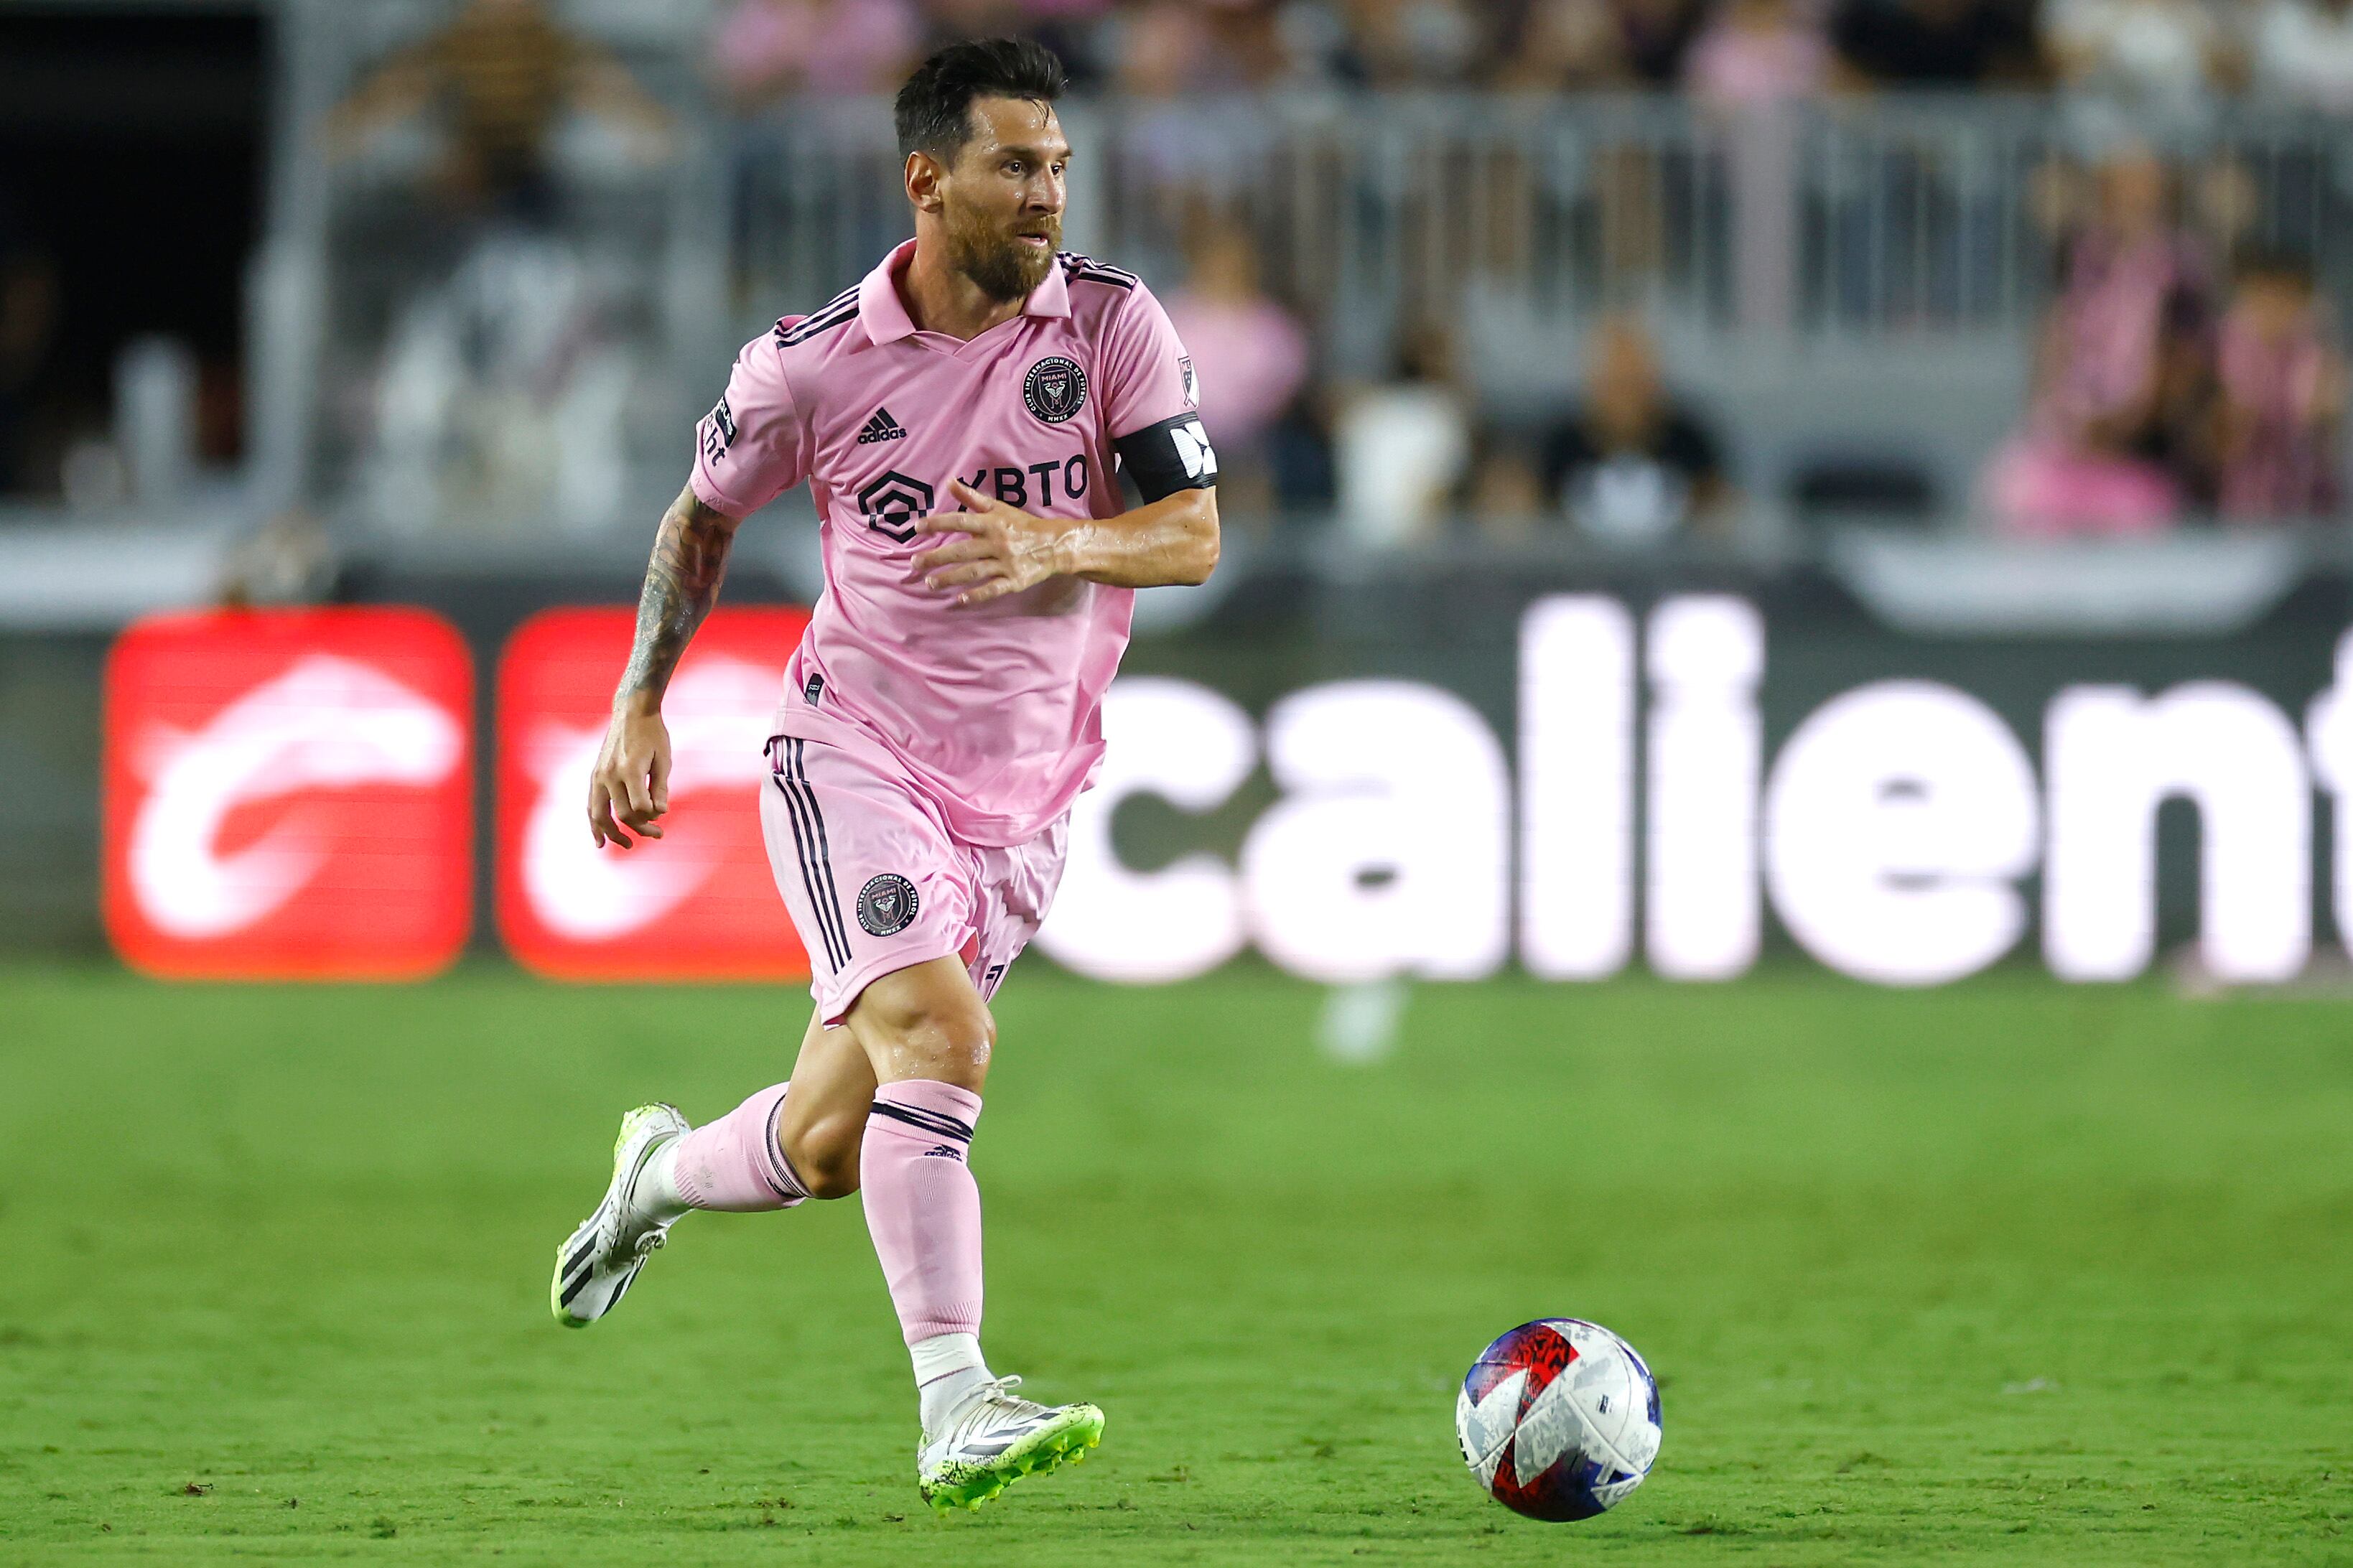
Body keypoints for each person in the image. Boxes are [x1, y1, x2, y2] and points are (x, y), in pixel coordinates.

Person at [549, 40, 1220, 1514]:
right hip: (851, 750)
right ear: (927, 178)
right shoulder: (810, 365)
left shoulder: (1111, 324)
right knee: (944, 1036)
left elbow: (1190, 532)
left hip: (1023, 801)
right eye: (1013, 165)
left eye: (1056, 165)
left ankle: (654, 1177)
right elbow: (700, 518)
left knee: (827, 1142)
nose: (1047, 192)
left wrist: (1054, 540)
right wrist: (639, 698)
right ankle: (956, 1399)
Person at [1535, 314, 1731, 545]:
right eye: (1616, 381)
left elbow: (1720, 508)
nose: (1626, 394)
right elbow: (1535, 518)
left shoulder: (1689, 443)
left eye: (1634, 380)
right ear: (1593, 381)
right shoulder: (1560, 447)